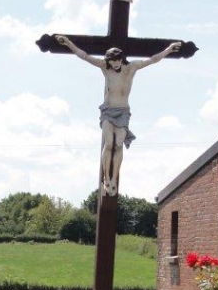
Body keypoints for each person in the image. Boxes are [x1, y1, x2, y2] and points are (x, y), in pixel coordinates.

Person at [55, 36, 181, 196]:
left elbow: (153, 59)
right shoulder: (105, 67)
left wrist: (169, 49)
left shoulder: (132, 68)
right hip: (108, 111)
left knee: (118, 145)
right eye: (112, 61)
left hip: (123, 111)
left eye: (117, 60)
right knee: (109, 143)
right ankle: (106, 178)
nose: (115, 64)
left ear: (122, 59)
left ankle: (114, 178)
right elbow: (85, 56)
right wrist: (68, 43)